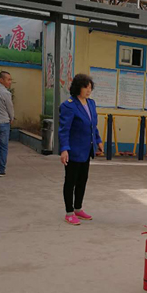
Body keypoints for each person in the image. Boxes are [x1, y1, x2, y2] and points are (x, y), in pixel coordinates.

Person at [58, 73, 104, 225]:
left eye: (90, 87)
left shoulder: (91, 103)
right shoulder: (69, 105)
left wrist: (98, 141)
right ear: (78, 88)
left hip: (86, 149)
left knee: (82, 180)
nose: (88, 90)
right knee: (70, 181)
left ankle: (78, 208)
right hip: (73, 150)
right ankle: (69, 212)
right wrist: (64, 149)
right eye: (85, 87)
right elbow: (64, 130)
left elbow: (93, 126)